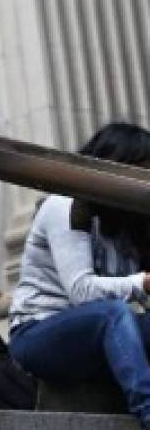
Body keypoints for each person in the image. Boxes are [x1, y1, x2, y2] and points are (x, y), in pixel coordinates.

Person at [9, 122, 150, 428]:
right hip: (38, 335)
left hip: (102, 342)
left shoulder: (130, 224)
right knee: (112, 314)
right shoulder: (66, 206)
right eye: (140, 172)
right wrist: (144, 282)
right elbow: (81, 291)